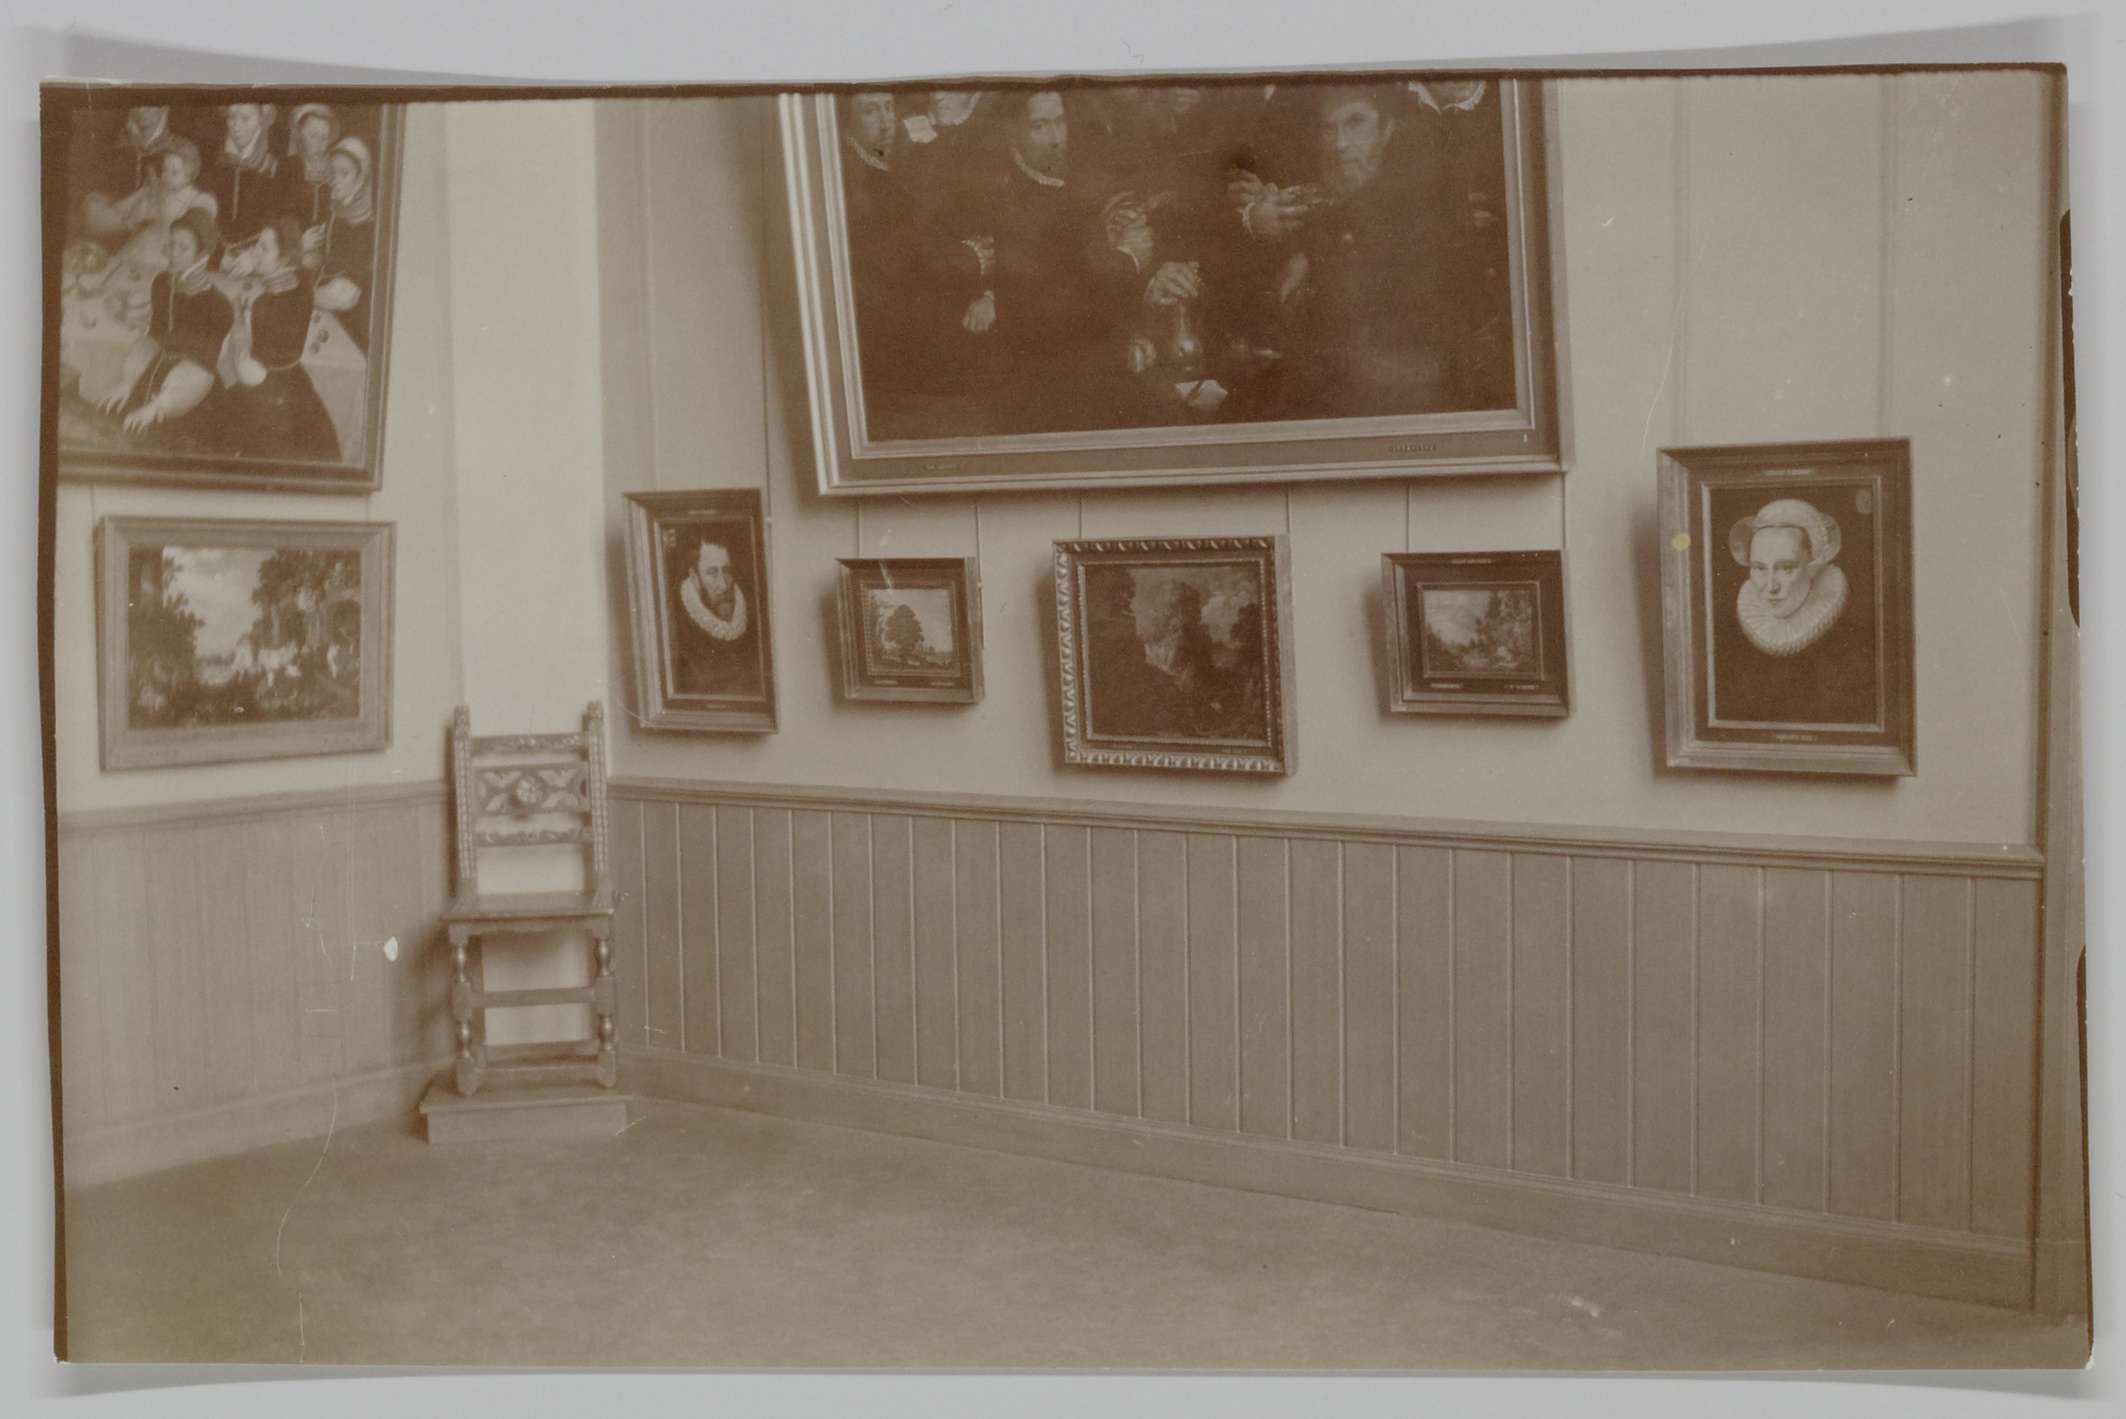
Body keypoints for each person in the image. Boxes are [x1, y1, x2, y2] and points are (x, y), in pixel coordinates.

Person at [1712, 497, 1876, 726]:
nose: (1771, 586)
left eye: (1786, 568)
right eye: (1759, 568)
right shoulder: (1726, 639)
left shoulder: (1855, 640)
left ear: (1812, 566)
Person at [212, 214, 341, 462]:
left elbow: (247, 369)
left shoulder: (267, 304)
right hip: (292, 381)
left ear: (284, 259)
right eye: (257, 245)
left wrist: (239, 316)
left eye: (263, 248)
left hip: (266, 393)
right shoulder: (301, 285)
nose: (255, 252)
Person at [102, 207, 234, 437]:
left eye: (183, 247)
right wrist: (128, 381)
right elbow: (154, 337)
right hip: (154, 372)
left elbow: (202, 369)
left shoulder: (219, 307)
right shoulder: (162, 284)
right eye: (172, 244)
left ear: (202, 256)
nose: (172, 253)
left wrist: (159, 406)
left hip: (189, 393)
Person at [309, 135, 377, 352]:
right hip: (325, 313)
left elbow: (346, 295)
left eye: (344, 173)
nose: (335, 180)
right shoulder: (334, 213)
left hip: (352, 325)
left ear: (361, 177)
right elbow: (322, 260)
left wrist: (298, 296)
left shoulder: (367, 226)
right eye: (332, 172)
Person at [671, 539, 761, 698]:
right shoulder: (676, 629)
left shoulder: (753, 610)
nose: (724, 585)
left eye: (727, 571)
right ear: (694, 577)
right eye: (712, 573)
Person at [207, 103, 297, 248]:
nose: (236, 126)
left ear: (261, 120)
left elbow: (281, 222)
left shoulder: (275, 168)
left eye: (245, 118)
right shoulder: (218, 163)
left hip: (260, 251)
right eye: (231, 117)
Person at [286, 103, 342, 224]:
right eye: (313, 135)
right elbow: (280, 213)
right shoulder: (288, 167)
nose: (319, 143)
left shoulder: (335, 168)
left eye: (324, 137)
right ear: (300, 136)